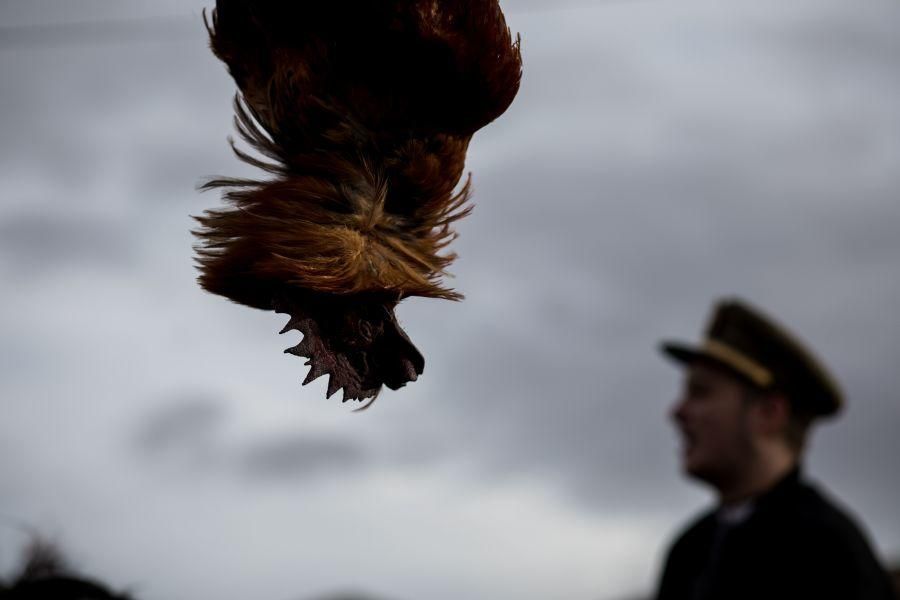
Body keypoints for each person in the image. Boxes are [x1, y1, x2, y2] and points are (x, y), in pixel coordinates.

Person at [655, 298, 896, 600]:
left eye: (701, 392)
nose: (677, 412)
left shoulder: (826, 551)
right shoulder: (690, 550)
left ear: (768, 413)